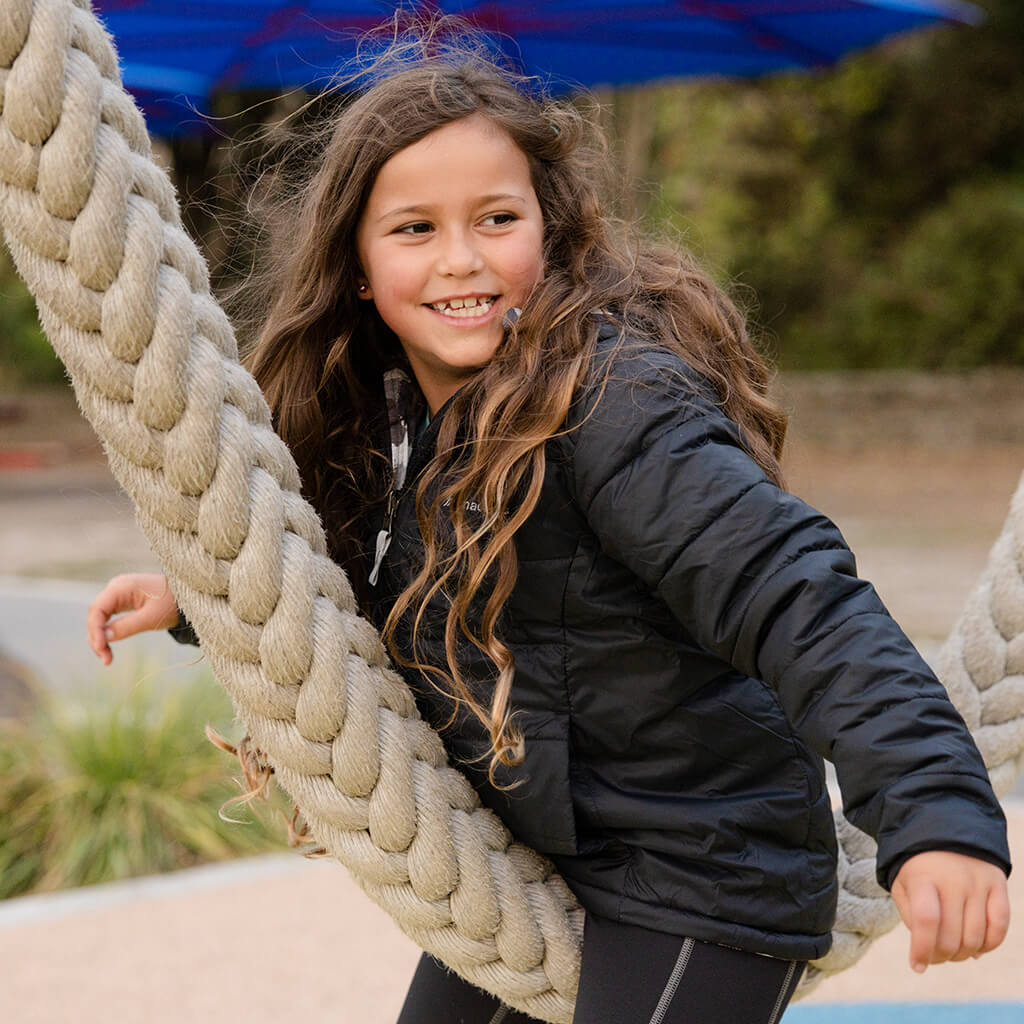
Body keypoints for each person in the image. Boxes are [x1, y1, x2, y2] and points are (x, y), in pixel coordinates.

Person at [87, 27, 1011, 1024]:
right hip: (546, 861)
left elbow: (795, 596)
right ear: (356, 265)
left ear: (550, 228)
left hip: (702, 870)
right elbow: (375, 579)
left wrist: (933, 811)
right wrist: (201, 599)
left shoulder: (619, 407)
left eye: (495, 218)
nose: (461, 259)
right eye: (413, 229)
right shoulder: (392, 411)